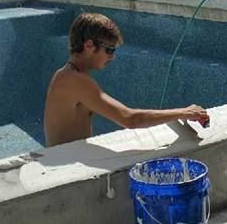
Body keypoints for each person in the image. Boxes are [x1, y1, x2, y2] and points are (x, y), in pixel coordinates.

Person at [44, 12, 210, 146]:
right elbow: (130, 119)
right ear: (89, 46)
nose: (112, 57)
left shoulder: (66, 74)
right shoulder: (75, 81)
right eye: (109, 50)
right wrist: (184, 112)